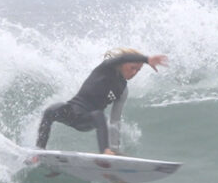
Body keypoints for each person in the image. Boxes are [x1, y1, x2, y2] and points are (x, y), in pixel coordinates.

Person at [36, 48, 168, 155]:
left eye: (138, 70)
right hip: (72, 112)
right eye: (132, 67)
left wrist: (114, 150)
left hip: (88, 120)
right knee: (51, 110)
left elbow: (115, 121)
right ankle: (39, 151)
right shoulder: (106, 69)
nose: (134, 73)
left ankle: (106, 152)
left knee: (99, 115)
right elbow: (122, 58)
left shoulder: (123, 90)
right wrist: (146, 59)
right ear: (122, 64)